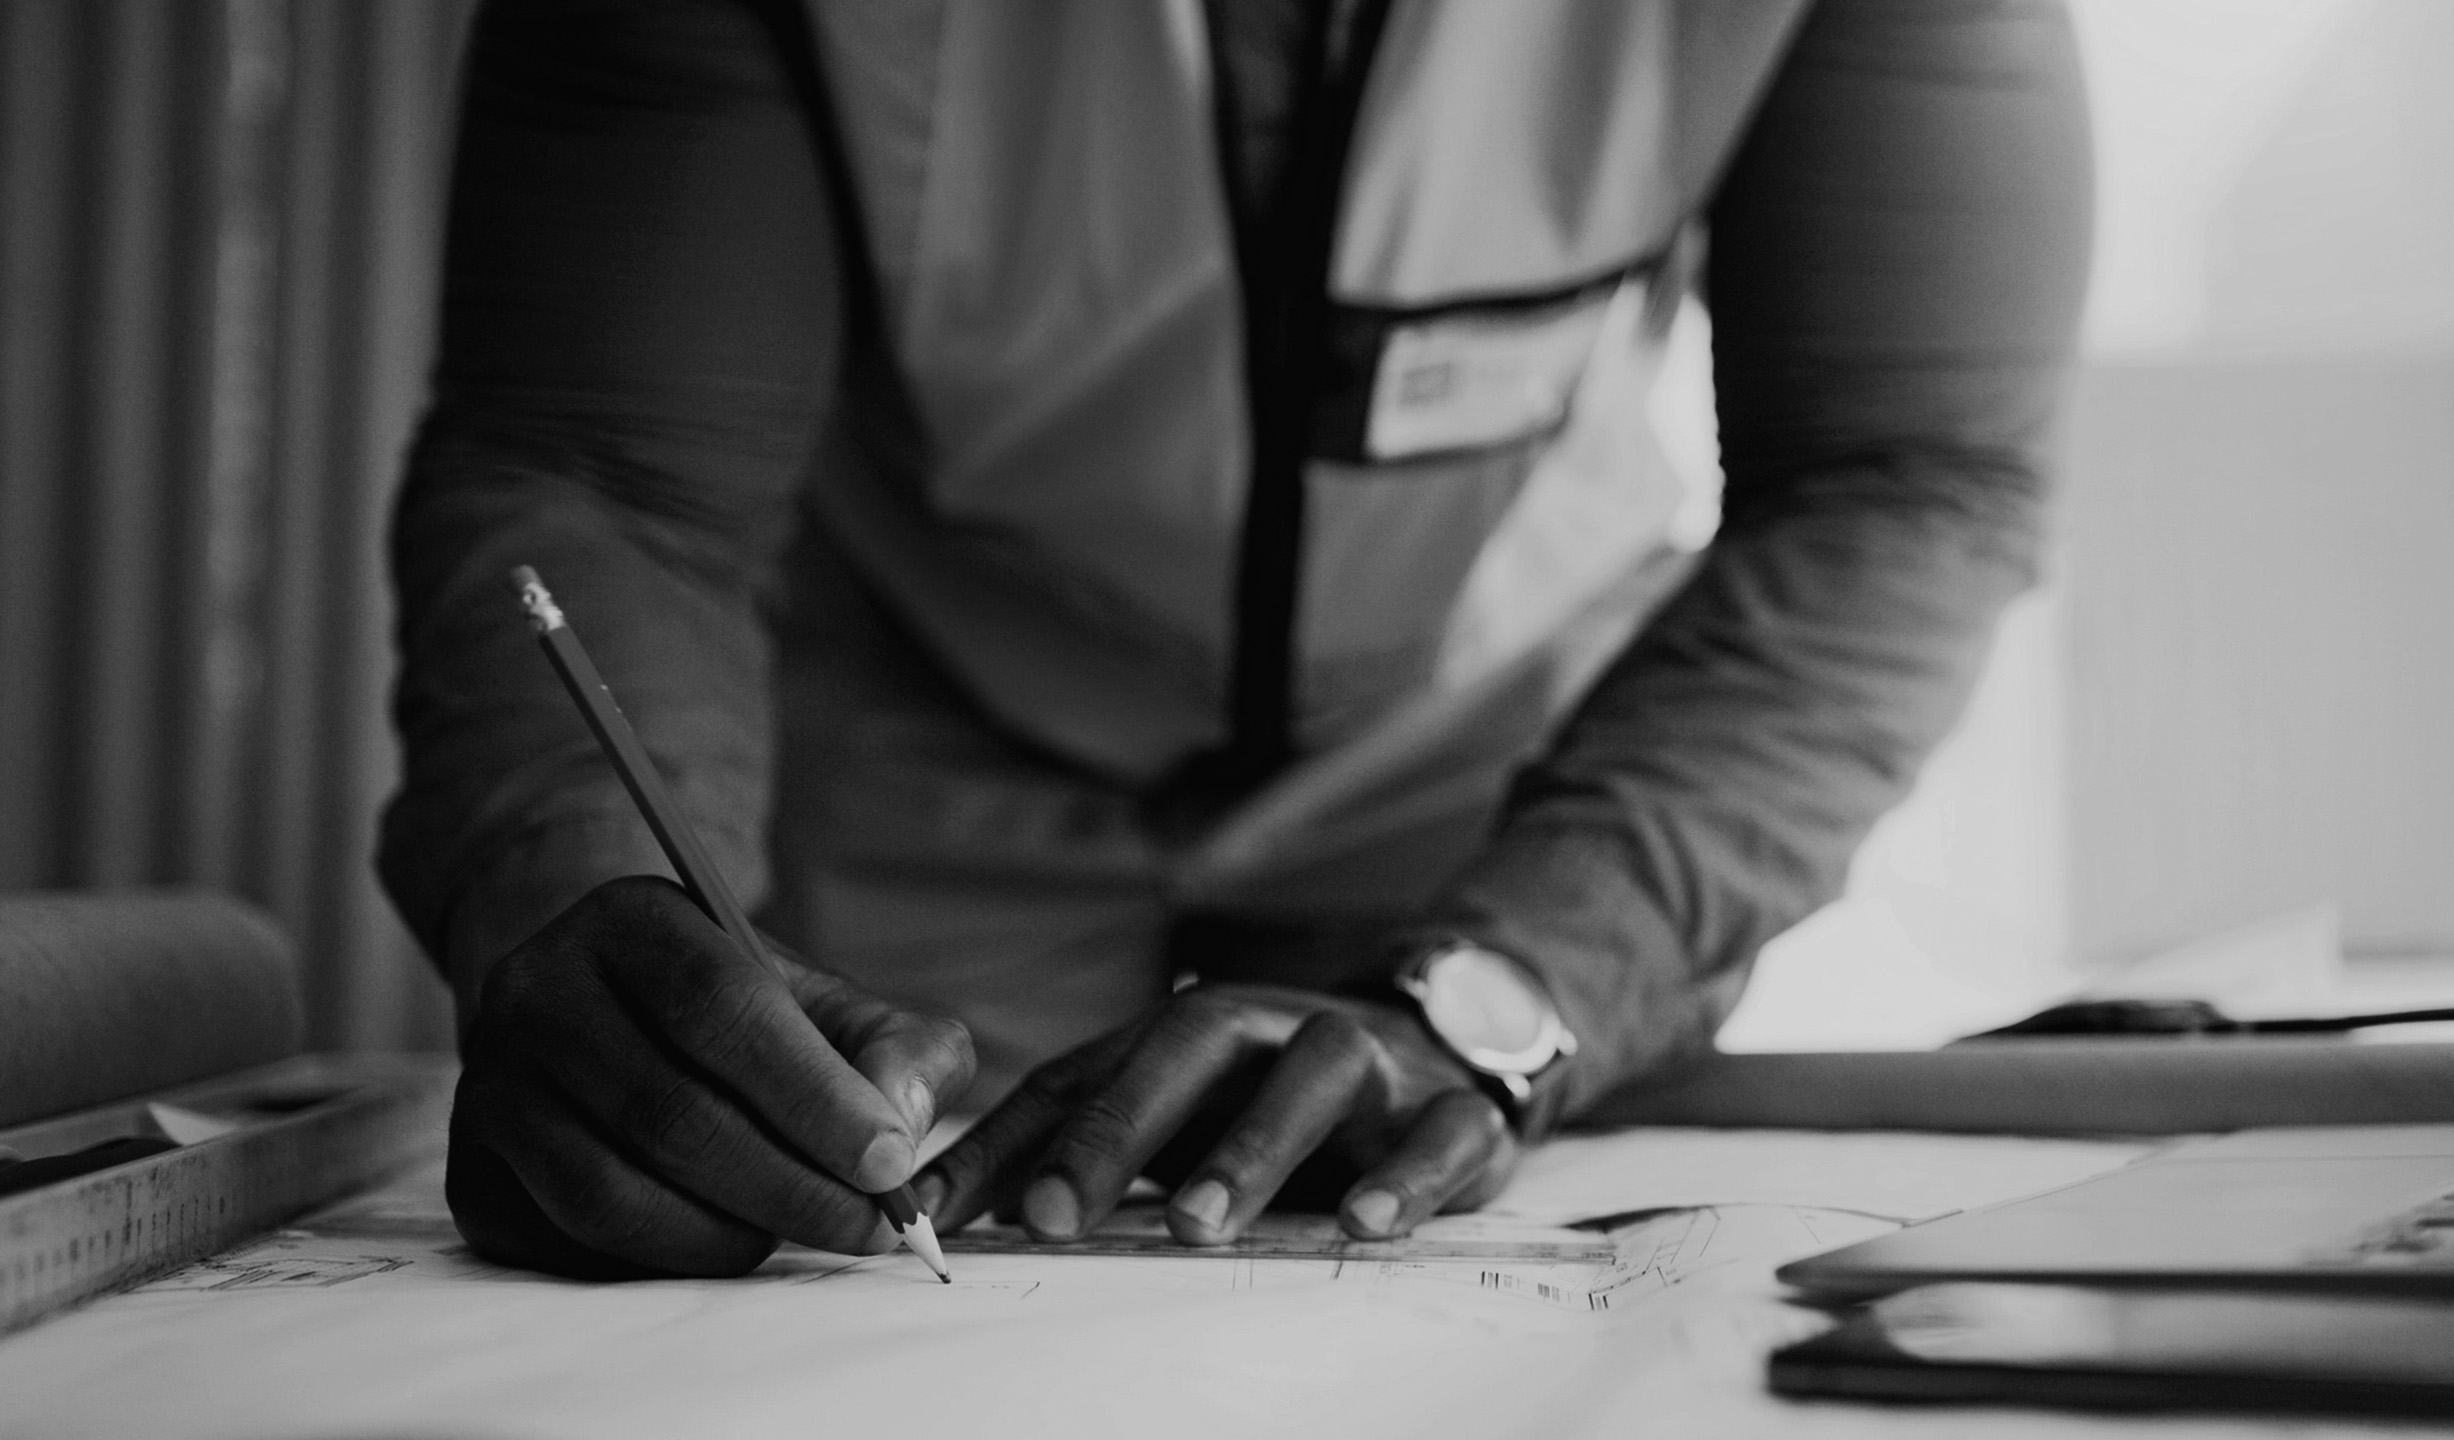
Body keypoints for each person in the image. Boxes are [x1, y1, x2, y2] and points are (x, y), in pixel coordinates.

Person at [381, 0, 2091, 1278]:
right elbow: (606, 475)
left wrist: (1522, 982)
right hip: (926, 764)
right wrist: (589, 882)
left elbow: (1900, 482)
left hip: (1495, 787)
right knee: (844, 1252)